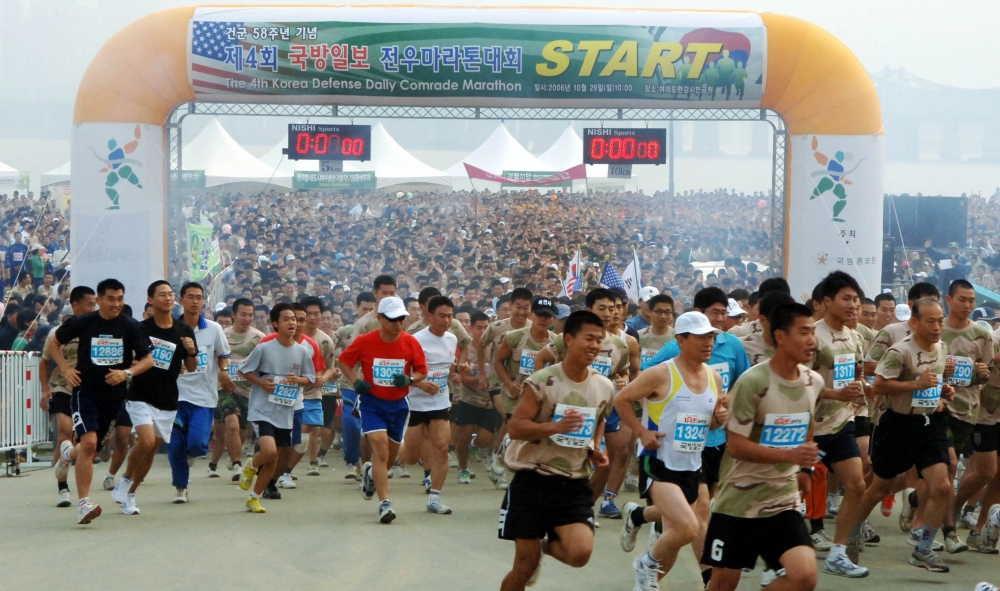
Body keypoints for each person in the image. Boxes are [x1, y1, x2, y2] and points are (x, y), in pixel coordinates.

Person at [702, 302, 823, 591]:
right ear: (780, 336)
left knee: (804, 576)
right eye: (803, 332)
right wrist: (790, 454)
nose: (811, 340)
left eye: (813, 332)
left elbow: (808, 424)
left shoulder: (813, 382)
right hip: (738, 504)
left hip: (783, 502)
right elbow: (736, 446)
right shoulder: (753, 381)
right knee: (722, 584)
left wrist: (804, 467)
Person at [498, 311, 613, 591]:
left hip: (573, 483)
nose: (594, 346)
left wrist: (595, 448)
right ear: (569, 339)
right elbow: (516, 428)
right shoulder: (542, 380)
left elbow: (598, 422)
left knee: (580, 554)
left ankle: (545, 546)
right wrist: (555, 427)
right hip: (532, 479)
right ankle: (534, 553)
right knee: (524, 567)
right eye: (589, 338)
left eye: (599, 340)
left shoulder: (604, 386)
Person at [615, 312, 727, 591]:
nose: (708, 342)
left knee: (677, 538)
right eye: (701, 337)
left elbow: (709, 423)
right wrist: (642, 433)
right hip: (659, 462)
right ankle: (646, 563)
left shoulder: (714, 377)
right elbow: (621, 399)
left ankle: (644, 580)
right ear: (681, 340)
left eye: (711, 336)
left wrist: (719, 417)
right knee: (688, 527)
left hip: (692, 463)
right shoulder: (661, 373)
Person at [852, 298, 956, 573]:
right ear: (914, 322)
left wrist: (942, 391)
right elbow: (879, 386)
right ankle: (853, 531)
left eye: (940, 320)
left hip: (931, 423)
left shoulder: (942, 347)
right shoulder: (900, 351)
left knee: (942, 486)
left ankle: (923, 549)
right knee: (879, 488)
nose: (937, 327)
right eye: (930, 321)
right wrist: (916, 384)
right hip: (897, 425)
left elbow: (932, 380)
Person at [50, 278, 154, 524]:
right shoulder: (84, 322)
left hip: (114, 397)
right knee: (89, 443)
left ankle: (67, 455)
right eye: (111, 298)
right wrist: (65, 368)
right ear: (99, 299)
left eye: (120, 298)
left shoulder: (130, 326)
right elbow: (54, 342)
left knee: (90, 447)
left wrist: (127, 373)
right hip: (84, 391)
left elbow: (148, 359)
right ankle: (84, 503)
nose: (116, 304)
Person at [534, 288, 631, 520]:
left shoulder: (620, 344)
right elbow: (540, 359)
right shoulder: (565, 338)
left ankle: (587, 508)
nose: (608, 313)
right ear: (589, 310)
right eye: (602, 308)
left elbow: (625, 372)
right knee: (569, 455)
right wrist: (546, 392)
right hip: (570, 407)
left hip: (603, 407)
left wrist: (624, 380)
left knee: (612, 457)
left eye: (612, 308)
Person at [110, 280, 198, 515]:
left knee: (150, 451)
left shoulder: (184, 331)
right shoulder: (141, 328)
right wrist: (133, 364)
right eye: (162, 295)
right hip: (140, 394)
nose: (168, 298)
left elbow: (191, 367)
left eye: (170, 294)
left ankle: (129, 494)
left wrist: (190, 351)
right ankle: (125, 482)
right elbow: (125, 357)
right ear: (150, 299)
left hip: (167, 399)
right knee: (146, 441)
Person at [338, 296, 428, 523]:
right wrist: (355, 380)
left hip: (398, 406)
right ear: (379, 319)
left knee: (390, 456)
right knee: (380, 448)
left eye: (402, 319)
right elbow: (344, 362)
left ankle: (369, 474)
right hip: (371, 403)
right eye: (393, 319)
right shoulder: (366, 341)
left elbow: (422, 372)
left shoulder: (411, 342)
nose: (399, 323)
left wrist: (408, 378)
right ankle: (384, 504)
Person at [805, 272, 869, 577]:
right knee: (791, 491)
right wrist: (835, 392)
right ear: (826, 301)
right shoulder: (810, 335)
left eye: (855, 299)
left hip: (841, 421)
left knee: (856, 484)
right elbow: (799, 383)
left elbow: (855, 372)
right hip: (806, 426)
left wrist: (857, 389)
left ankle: (838, 553)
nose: (853, 305)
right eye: (846, 298)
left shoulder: (855, 336)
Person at [237, 303, 317, 514]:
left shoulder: (302, 352)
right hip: (263, 409)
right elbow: (243, 371)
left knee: (275, 456)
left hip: (286, 411)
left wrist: (297, 379)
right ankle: (252, 465)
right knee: (269, 451)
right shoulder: (264, 348)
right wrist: (262, 383)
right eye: (286, 319)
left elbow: (311, 378)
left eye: (294, 319)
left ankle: (254, 497)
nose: (292, 323)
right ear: (275, 324)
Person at [939, 280, 994, 552]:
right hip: (938, 409)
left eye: (971, 300)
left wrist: (982, 374)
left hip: (968, 411)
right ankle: (949, 531)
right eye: (962, 299)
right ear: (949, 299)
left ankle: (921, 503)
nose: (967, 305)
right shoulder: (936, 331)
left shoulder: (982, 336)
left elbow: (985, 373)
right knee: (950, 466)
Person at [170, 282, 233, 504]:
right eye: (190, 297)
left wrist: (224, 372)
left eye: (199, 297)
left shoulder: (214, 329)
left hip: (203, 397)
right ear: (181, 300)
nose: (195, 301)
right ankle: (181, 488)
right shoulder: (170, 327)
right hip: (174, 396)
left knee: (197, 444)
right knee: (176, 444)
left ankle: (189, 456)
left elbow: (223, 353)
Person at [399, 295, 459, 514]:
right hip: (414, 404)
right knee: (410, 457)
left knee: (442, 447)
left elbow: (448, 367)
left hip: (440, 402)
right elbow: (403, 374)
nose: (446, 320)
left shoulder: (452, 339)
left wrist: (458, 372)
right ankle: (380, 460)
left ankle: (434, 498)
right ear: (429, 315)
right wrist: (421, 384)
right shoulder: (414, 340)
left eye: (450, 316)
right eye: (442, 316)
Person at [40, 286, 97, 507]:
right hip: (63, 387)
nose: (94, 308)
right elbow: (44, 362)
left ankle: (66, 458)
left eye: (95, 304)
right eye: (90, 304)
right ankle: (63, 488)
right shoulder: (57, 333)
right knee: (64, 432)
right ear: (76, 305)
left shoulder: (99, 330)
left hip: (89, 390)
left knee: (83, 443)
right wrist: (45, 389)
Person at [208, 298, 264, 480]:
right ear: (233, 315)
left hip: (249, 391)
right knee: (231, 424)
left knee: (243, 431)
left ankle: (232, 456)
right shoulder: (221, 335)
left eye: (250, 315)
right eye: (243, 314)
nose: (247, 318)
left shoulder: (259, 338)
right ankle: (237, 466)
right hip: (225, 388)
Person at [453, 311, 503, 484]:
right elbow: (464, 380)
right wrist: (480, 378)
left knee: (484, 439)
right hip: (469, 398)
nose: (482, 331)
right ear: (471, 328)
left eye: (485, 327)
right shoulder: (467, 348)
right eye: (479, 327)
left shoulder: (496, 347)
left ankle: (475, 446)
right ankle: (463, 469)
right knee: (464, 435)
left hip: (490, 401)